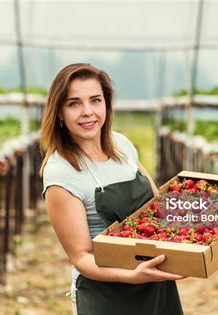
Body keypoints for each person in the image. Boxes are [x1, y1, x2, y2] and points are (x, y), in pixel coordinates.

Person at [40, 63, 184, 315]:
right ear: (60, 112)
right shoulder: (61, 172)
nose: (87, 112)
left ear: (106, 104)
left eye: (95, 100)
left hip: (155, 281)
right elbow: (82, 257)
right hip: (105, 294)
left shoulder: (122, 146)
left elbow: (155, 207)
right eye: (74, 103)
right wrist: (131, 275)